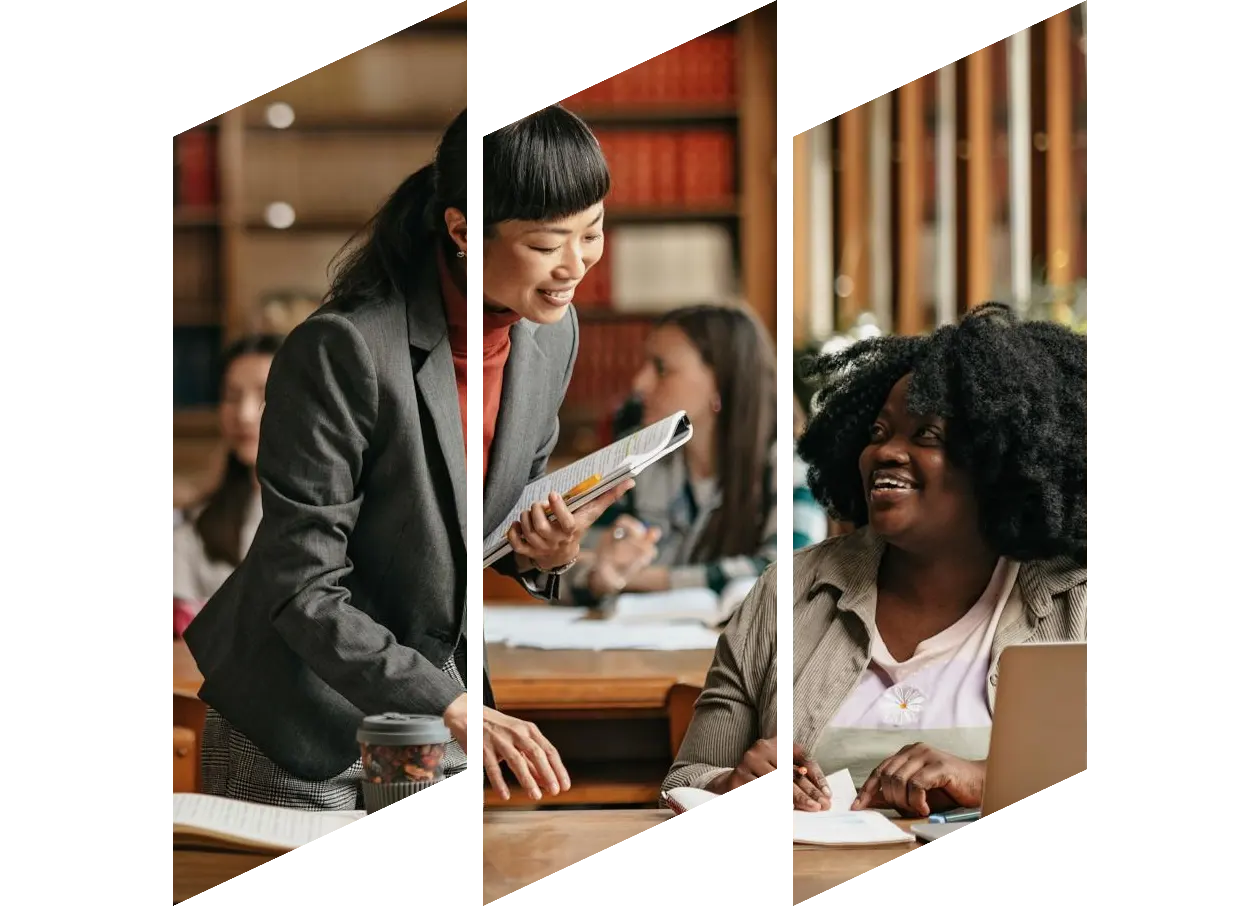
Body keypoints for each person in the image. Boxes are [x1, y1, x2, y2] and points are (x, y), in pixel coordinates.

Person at [184, 105, 630, 810]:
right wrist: (453, 705)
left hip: (426, 714)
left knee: (429, 886)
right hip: (300, 716)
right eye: (550, 243)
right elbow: (300, 586)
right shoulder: (345, 349)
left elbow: (468, 533)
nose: (577, 265)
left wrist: (544, 552)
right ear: (462, 231)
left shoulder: (551, 336)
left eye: (594, 231)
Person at [662, 303, 1087, 818]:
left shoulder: (1080, 602)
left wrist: (987, 779)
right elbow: (685, 782)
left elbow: (1167, 781)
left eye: (926, 436)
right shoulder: (790, 591)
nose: (885, 453)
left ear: (1004, 460)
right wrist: (733, 787)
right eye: (879, 433)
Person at [560, 304, 820, 607]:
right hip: (639, 649)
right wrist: (600, 576)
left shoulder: (790, 466)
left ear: (720, 383)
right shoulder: (636, 458)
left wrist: (643, 579)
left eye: (661, 368)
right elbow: (559, 567)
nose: (639, 383)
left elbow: (792, 570)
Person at [170, 333, 283, 637]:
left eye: (264, 394)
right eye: (232, 397)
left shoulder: (342, 509)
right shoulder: (196, 524)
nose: (245, 415)